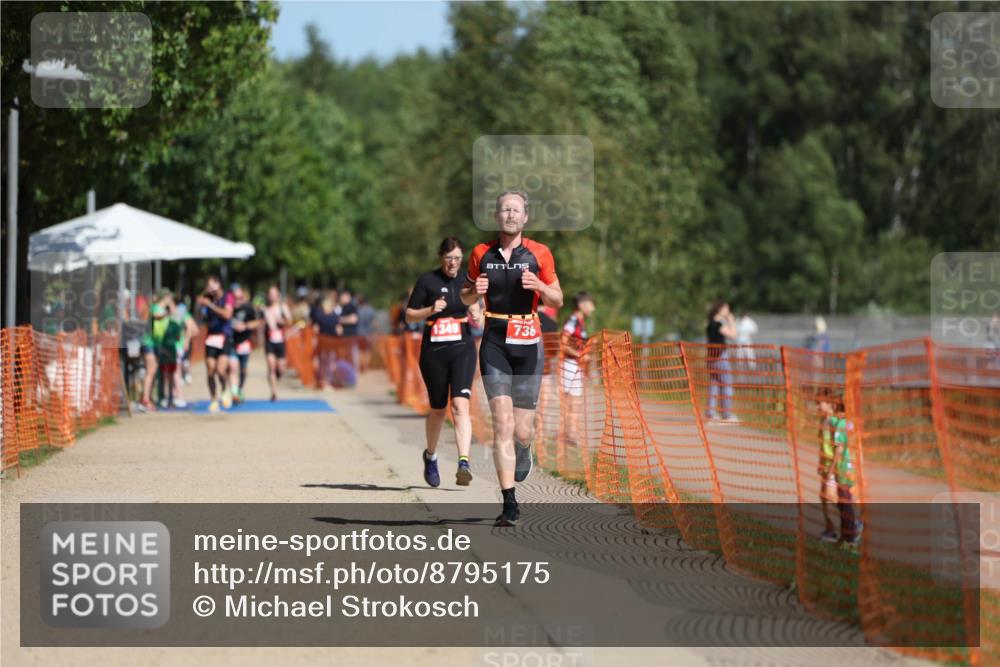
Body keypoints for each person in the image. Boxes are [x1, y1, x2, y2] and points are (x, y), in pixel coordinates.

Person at [461, 190, 563, 526]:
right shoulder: (481, 253)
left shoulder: (539, 253)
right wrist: (473, 293)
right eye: (505, 209)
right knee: (502, 424)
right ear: (497, 216)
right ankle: (509, 503)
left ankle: (524, 448)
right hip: (495, 342)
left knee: (522, 430)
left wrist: (540, 288)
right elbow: (465, 296)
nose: (510, 215)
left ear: (525, 217)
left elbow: (558, 299)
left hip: (528, 344)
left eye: (516, 210)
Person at [406, 237, 479, 488]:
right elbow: (409, 315)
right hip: (434, 353)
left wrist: (477, 313)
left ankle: (464, 462)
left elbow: (478, 309)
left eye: (457, 258)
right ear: (441, 258)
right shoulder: (428, 281)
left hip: (462, 351)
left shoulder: (467, 281)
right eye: (449, 258)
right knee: (438, 409)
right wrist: (430, 310)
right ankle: (430, 456)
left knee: (460, 406)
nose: (453, 263)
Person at [561, 292, 595, 448]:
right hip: (569, 364)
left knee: (574, 402)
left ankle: (570, 434)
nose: (593, 308)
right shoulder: (573, 321)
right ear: (581, 305)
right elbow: (563, 343)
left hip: (576, 365)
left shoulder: (581, 322)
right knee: (570, 401)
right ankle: (568, 435)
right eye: (591, 304)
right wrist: (580, 355)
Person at [197, 276, 235, 413]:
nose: (209, 288)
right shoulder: (208, 298)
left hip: (224, 337)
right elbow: (200, 316)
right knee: (210, 369)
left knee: (220, 369)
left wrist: (210, 305)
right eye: (207, 286)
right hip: (211, 337)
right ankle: (213, 399)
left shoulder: (228, 297)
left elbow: (227, 315)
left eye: (211, 285)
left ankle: (225, 389)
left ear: (218, 284)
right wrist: (202, 303)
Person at [706, 300, 738, 422]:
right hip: (720, 357)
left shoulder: (709, 324)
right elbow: (733, 335)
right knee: (726, 384)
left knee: (714, 385)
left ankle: (711, 413)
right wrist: (731, 321)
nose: (728, 311)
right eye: (726, 309)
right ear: (720, 309)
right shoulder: (718, 324)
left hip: (711, 357)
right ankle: (727, 414)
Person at [229, 284, 260, 404]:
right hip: (231, 343)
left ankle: (240, 389)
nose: (237, 300)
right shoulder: (229, 309)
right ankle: (234, 393)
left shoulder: (248, 308)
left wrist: (245, 326)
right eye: (235, 298)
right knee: (233, 368)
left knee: (243, 369)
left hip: (244, 343)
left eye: (240, 298)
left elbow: (257, 322)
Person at [155, 292, 185, 408]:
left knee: (169, 374)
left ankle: (169, 397)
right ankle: (163, 397)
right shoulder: (160, 316)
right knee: (163, 374)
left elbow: (178, 336)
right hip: (163, 348)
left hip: (170, 349)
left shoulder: (174, 323)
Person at [263, 285, 292, 402]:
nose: (272, 297)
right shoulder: (265, 309)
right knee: (271, 366)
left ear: (278, 295)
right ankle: (274, 392)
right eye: (271, 295)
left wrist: (282, 321)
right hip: (269, 341)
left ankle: (275, 377)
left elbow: (289, 321)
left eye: (274, 294)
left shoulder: (283, 307)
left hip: (280, 341)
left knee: (281, 368)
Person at [312, 289, 342, 389]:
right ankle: (324, 381)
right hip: (328, 343)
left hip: (327, 343)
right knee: (327, 362)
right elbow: (339, 331)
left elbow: (316, 329)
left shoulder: (321, 316)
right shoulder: (333, 317)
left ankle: (324, 381)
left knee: (326, 363)